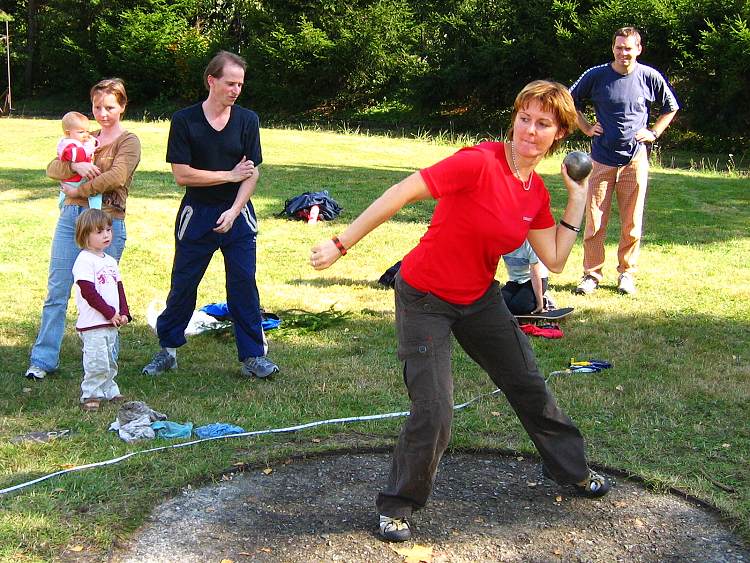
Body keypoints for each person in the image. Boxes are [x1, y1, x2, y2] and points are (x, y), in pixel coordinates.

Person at [311, 80, 610, 543]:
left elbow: (554, 258)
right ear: (514, 119)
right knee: (434, 408)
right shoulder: (478, 161)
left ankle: (569, 469)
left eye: (543, 124)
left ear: (560, 134)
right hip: (425, 296)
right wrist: (340, 242)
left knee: (527, 383)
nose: (530, 131)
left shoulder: (534, 192)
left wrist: (576, 196)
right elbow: (401, 191)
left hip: (478, 298)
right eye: (524, 118)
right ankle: (397, 505)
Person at [142, 51, 279, 379]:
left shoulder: (247, 120)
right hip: (197, 214)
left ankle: (252, 356)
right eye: (230, 83)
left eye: (240, 84)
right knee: (184, 283)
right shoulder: (185, 120)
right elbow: (182, 175)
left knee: (243, 284)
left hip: (237, 213)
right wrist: (228, 175)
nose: (236, 90)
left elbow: (251, 173)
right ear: (211, 81)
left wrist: (235, 210)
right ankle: (168, 350)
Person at [25, 78, 141, 380]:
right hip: (71, 220)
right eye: (97, 107)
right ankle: (43, 360)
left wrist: (80, 189)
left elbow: (117, 176)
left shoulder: (128, 141)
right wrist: (75, 166)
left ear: (122, 107)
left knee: (105, 292)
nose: (102, 114)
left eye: (110, 107)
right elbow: (52, 168)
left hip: (106, 222)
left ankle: (105, 363)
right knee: (57, 290)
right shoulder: (82, 137)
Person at [570, 26, 679, 296]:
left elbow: (671, 107)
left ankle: (626, 274)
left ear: (638, 49)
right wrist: (586, 127)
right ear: (613, 48)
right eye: (619, 47)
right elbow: (569, 100)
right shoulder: (596, 75)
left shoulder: (649, 76)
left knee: (631, 223)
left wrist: (653, 132)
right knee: (595, 221)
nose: (623, 53)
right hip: (601, 159)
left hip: (634, 160)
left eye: (628, 48)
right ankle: (591, 275)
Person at [72, 209, 131, 412]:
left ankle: (110, 389)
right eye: (99, 232)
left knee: (110, 360)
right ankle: (91, 393)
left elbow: (119, 288)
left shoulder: (110, 261)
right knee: (96, 361)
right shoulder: (84, 260)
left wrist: (124, 312)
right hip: (94, 323)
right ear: (85, 235)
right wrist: (109, 312)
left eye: (108, 230)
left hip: (111, 322)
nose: (106, 235)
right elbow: (89, 292)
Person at [56, 111, 101, 210]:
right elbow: (79, 157)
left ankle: (95, 210)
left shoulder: (78, 141)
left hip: (80, 178)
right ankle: (95, 209)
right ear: (68, 133)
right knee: (95, 193)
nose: (85, 135)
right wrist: (90, 145)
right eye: (81, 132)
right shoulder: (68, 145)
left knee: (95, 192)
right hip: (73, 180)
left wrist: (93, 142)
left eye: (87, 131)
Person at [500, 239, 552, 315]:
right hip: (515, 281)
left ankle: (544, 299)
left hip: (537, 280)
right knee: (500, 306)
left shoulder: (530, 243)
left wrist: (540, 304)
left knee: (518, 307)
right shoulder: (500, 242)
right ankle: (523, 295)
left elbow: (535, 274)